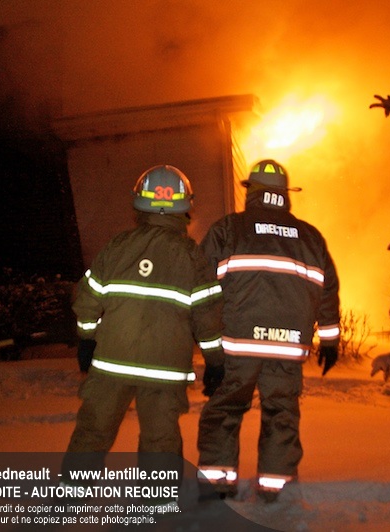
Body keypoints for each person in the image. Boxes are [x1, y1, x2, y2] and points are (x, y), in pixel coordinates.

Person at [62, 165, 224, 495]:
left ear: (139, 202)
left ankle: (69, 497)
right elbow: (207, 315)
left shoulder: (117, 246)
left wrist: (86, 339)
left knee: (93, 431)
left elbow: (87, 300)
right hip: (164, 371)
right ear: (184, 205)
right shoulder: (192, 256)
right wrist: (215, 361)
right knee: (160, 441)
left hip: (112, 364)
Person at [196, 159, 341, 503]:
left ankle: (217, 484)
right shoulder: (310, 237)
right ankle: (275, 489)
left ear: (251, 191)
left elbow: (200, 285)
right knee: (281, 414)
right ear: (285, 194)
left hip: (237, 346)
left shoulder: (228, 229)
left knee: (225, 410)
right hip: (287, 348)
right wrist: (330, 341)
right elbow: (328, 290)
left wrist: (204, 340)